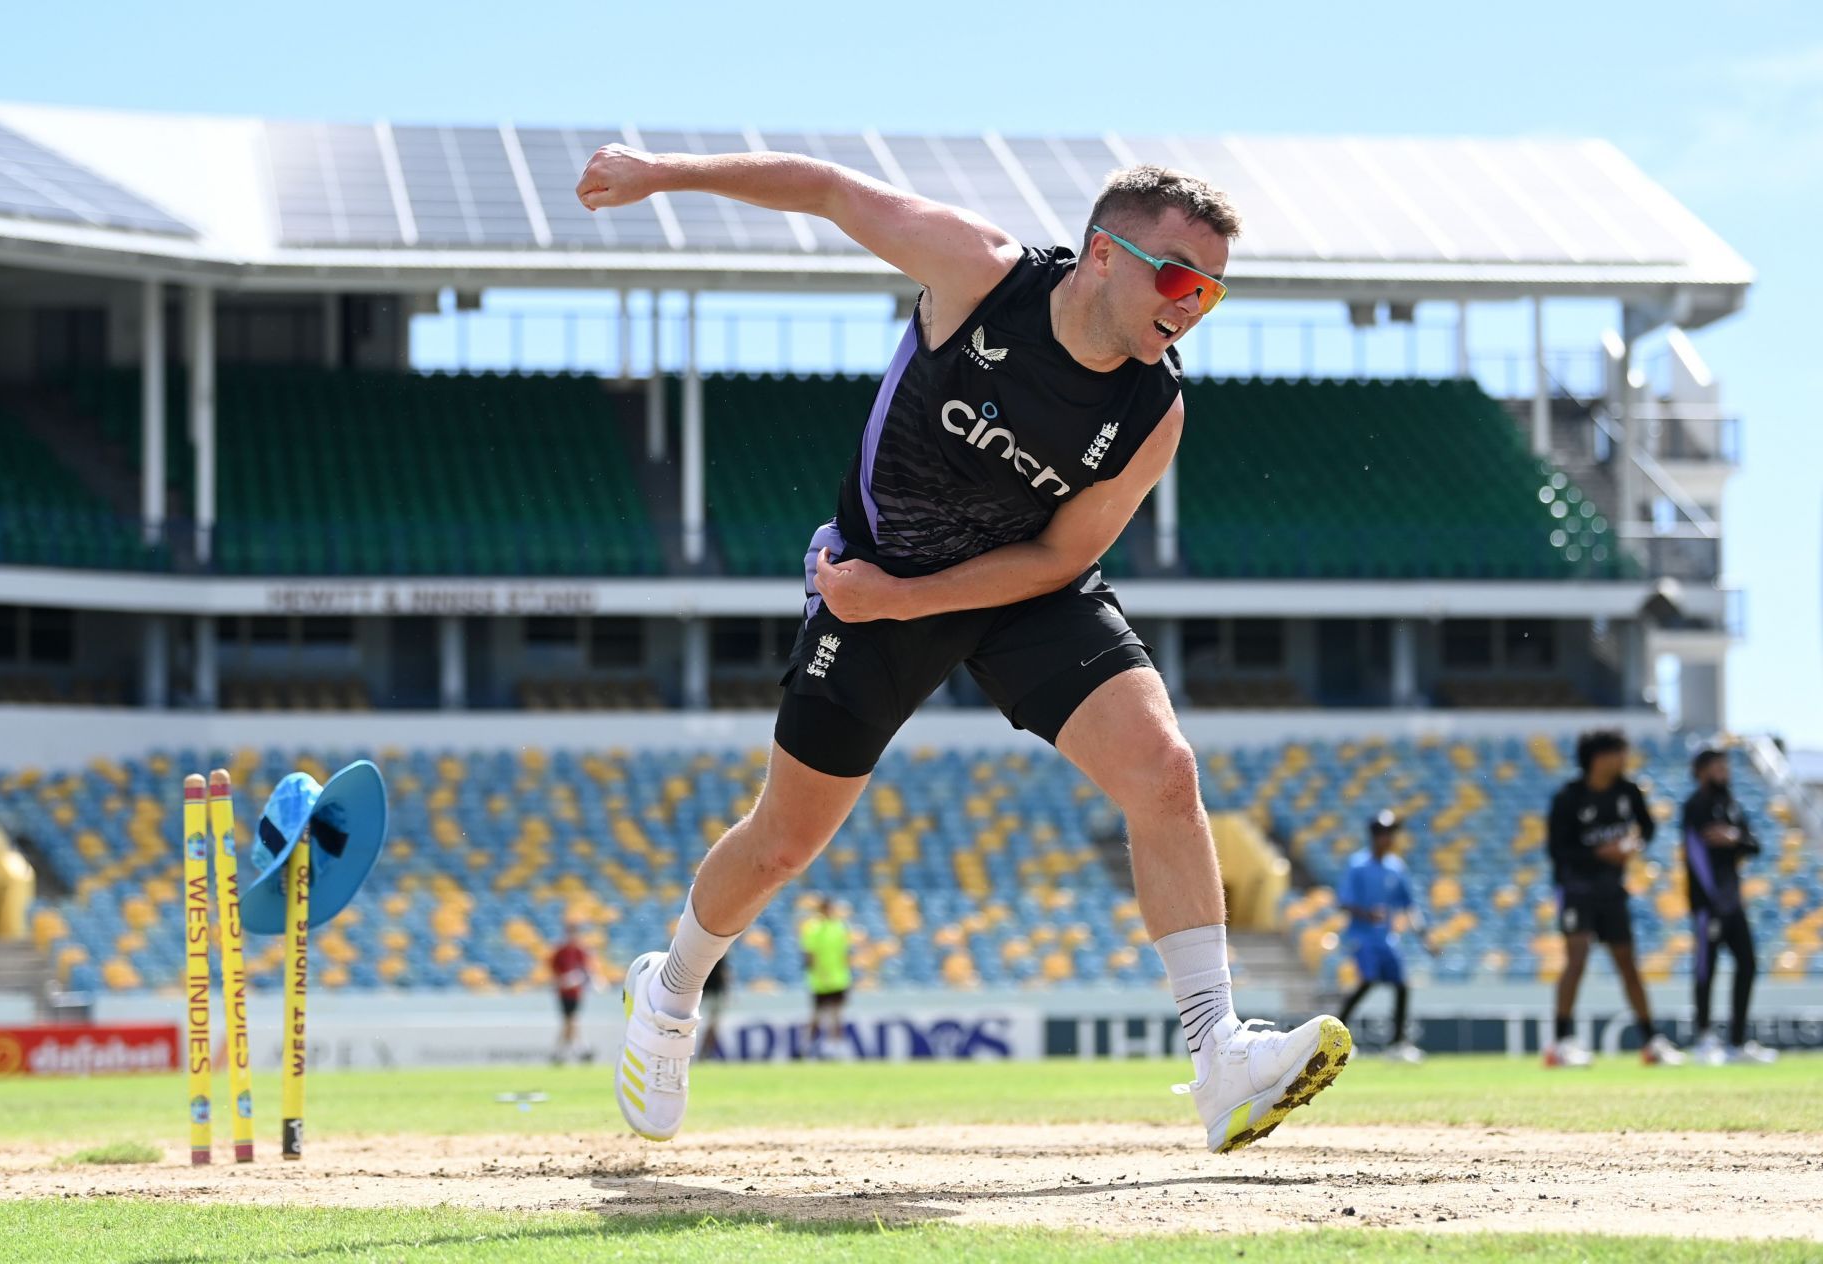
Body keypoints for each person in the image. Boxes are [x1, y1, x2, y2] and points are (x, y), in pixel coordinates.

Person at [580, 142, 1351, 1155]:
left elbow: (1057, 556)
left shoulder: (1154, 410)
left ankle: (1220, 1059)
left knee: (1164, 771)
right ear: (1102, 255)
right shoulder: (979, 275)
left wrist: (912, 597)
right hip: (873, 578)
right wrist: (658, 172)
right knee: (783, 841)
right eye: (1175, 273)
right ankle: (667, 992)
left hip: (1017, 585)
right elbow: (827, 189)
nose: (1191, 301)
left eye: (1211, 288)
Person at [1543, 729, 1684, 1068]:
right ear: (1599, 757)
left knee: (1627, 964)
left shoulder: (1629, 791)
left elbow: (1647, 828)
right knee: (1576, 959)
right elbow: (1557, 850)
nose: (1625, 759)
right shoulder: (1568, 797)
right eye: (1619, 752)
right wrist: (1602, 853)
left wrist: (1632, 845)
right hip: (1576, 890)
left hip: (1612, 892)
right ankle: (1560, 1043)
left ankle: (1651, 1042)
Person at [1682, 748, 1778, 1065]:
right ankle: (1705, 1038)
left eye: (1725, 767)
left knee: (1747, 963)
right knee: (1706, 969)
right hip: (1709, 904)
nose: (1724, 772)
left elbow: (1754, 843)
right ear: (1701, 771)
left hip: (1732, 902)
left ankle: (1737, 1041)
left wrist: (1733, 837)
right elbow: (1695, 856)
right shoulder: (1695, 806)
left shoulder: (1731, 806)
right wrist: (1709, 900)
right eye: (1717, 767)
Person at [1336, 811, 1433, 1063]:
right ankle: (1339, 1038)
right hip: (1363, 936)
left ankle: (1398, 1044)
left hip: (1386, 938)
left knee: (1401, 985)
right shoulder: (1357, 865)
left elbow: (1408, 905)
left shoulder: (1396, 867)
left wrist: (1423, 935)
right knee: (1367, 980)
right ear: (1374, 836)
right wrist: (1368, 914)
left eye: (1391, 833)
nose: (1389, 838)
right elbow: (1344, 902)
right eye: (1385, 833)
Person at [800, 897, 852, 1058]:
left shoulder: (839, 928)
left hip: (838, 978)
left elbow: (844, 954)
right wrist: (816, 972)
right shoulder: (813, 928)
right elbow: (809, 954)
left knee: (837, 1014)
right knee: (817, 1015)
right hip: (820, 980)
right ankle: (807, 1047)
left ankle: (835, 1048)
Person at [549, 923, 592, 1065]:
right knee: (570, 1021)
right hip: (564, 992)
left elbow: (585, 970)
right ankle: (578, 1049)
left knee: (570, 1021)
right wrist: (564, 980)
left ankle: (560, 1052)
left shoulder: (580, 952)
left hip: (576, 992)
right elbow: (554, 971)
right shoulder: (560, 952)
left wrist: (577, 979)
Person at [698, 957, 730, 1060]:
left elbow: (723, 972)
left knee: (711, 1027)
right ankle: (700, 1054)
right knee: (702, 1027)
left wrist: (725, 992)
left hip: (713, 993)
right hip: (700, 993)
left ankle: (704, 1054)